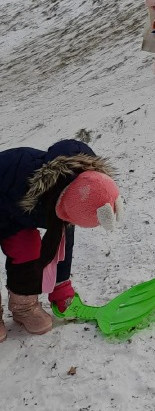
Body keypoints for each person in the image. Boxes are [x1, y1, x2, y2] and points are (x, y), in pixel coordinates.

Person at [0, 139, 123, 340]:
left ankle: (24, 307)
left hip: (17, 216)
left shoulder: (71, 196)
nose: (68, 224)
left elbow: (61, 244)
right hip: (6, 197)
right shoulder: (37, 184)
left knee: (28, 251)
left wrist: (61, 290)